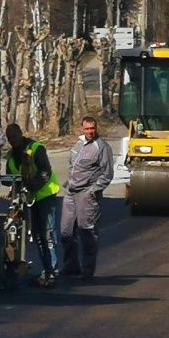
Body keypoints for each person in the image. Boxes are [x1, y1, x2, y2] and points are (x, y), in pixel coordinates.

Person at [4, 123, 59, 287]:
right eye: (9, 138)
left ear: (21, 134)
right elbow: (10, 177)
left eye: (14, 136)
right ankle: (42, 269)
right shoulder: (11, 156)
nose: (12, 140)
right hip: (28, 199)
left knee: (46, 235)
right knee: (34, 235)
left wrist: (30, 186)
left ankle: (51, 271)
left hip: (45, 195)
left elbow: (45, 173)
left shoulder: (36, 148)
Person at [60, 117, 114, 279]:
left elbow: (107, 174)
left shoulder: (102, 147)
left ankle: (87, 271)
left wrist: (93, 190)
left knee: (87, 232)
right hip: (71, 192)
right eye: (87, 129)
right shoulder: (78, 144)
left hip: (87, 195)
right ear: (82, 129)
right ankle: (71, 266)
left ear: (96, 128)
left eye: (92, 128)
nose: (90, 131)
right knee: (66, 231)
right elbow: (73, 166)